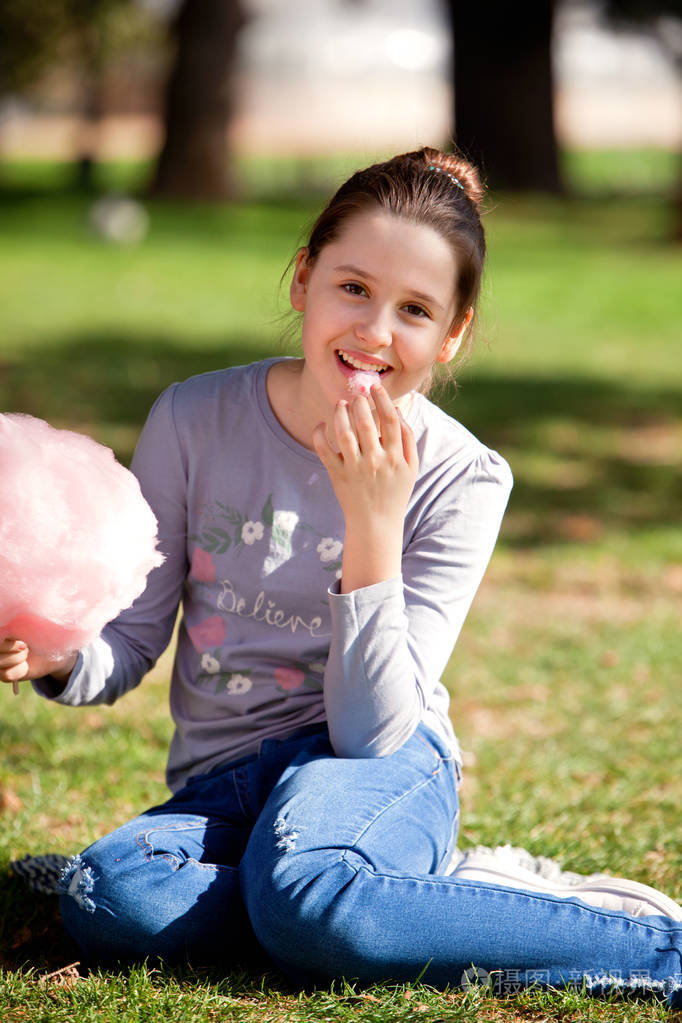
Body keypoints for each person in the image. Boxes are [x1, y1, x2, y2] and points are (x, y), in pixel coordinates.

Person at [1, 147, 681, 1006]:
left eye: (415, 309)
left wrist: (373, 519)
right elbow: (132, 642)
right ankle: (402, 902)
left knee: (302, 897)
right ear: (304, 277)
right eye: (353, 288)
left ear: (453, 332)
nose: (374, 332)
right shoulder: (193, 418)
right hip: (227, 786)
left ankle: (656, 947)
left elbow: (369, 730)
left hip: (379, 764)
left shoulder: (464, 477)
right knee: (111, 893)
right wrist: (56, 652)